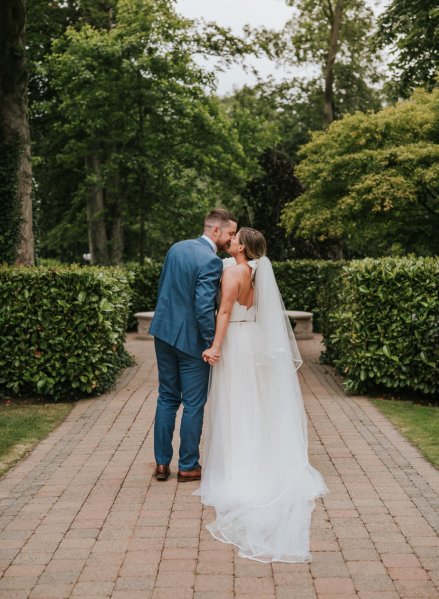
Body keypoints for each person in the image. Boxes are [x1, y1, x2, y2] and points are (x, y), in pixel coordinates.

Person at [195, 228, 328, 563]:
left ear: (241, 247)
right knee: (256, 401)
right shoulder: (258, 272)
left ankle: (240, 465)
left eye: (235, 238)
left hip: (236, 341)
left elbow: (224, 313)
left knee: (236, 404)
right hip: (254, 339)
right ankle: (262, 455)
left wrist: (214, 346)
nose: (231, 239)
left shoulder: (232, 273)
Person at [149, 209, 237, 483]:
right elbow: (202, 307)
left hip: (163, 333)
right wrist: (211, 342)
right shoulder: (211, 261)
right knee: (193, 403)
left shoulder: (176, 248)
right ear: (216, 231)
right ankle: (188, 465)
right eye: (230, 234)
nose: (231, 239)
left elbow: (163, 288)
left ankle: (162, 464)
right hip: (191, 341)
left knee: (166, 397)